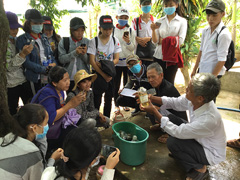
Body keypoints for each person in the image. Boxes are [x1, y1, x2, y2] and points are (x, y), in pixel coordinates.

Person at [140, 73, 226, 180]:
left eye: (189, 89)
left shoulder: (209, 119)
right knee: (171, 119)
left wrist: (154, 111)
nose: (186, 89)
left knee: (173, 142)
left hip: (210, 152)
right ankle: (184, 154)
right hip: (199, 138)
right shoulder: (197, 100)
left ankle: (200, 168)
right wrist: (151, 98)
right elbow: (175, 102)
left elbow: (178, 132)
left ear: (200, 98)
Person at [31, 66, 84, 155]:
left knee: (79, 122)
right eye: (65, 80)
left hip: (55, 125)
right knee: (72, 133)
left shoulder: (60, 91)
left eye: (68, 79)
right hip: (42, 131)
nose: (68, 83)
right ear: (54, 83)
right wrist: (70, 104)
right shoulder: (47, 93)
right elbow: (51, 118)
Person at [41, 127, 120, 180]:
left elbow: (48, 171)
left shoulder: (50, 172)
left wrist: (52, 159)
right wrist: (108, 169)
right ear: (92, 162)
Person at [0, 104, 48, 179]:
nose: (47, 127)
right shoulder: (32, 154)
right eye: (45, 124)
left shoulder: (5, 139)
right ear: (34, 128)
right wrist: (52, 160)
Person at [87, 15, 121, 118]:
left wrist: (103, 64)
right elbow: (92, 61)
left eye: (110, 29)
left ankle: (106, 120)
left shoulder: (115, 41)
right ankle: (97, 119)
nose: (108, 32)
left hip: (110, 73)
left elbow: (116, 59)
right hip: (97, 74)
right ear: (100, 28)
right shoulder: (94, 41)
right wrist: (102, 72)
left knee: (108, 98)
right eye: (105, 29)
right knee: (97, 98)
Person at [16, 9, 56, 95]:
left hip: (47, 76)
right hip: (33, 78)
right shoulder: (22, 39)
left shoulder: (44, 37)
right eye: (35, 23)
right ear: (28, 24)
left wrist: (53, 64)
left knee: (47, 100)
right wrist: (44, 69)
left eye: (40, 23)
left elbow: (50, 54)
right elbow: (26, 62)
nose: (38, 25)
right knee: (36, 103)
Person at [145, 62, 188, 143]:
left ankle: (170, 133)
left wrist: (153, 109)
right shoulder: (159, 85)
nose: (150, 80)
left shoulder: (167, 89)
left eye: (153, 77)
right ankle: (162, 126)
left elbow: (161, 107)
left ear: (161, 75)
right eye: (149, 77)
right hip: (170, 113)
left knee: (152, 108)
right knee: (150, 106)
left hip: (180, 121)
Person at [191, 0, 232, 78]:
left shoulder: (223, 34)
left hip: (214, 74)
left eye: (214, 15)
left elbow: (222, 60)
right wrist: (195, 69)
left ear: (223, 14)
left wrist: (212, 78)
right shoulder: (205, 31)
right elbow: (201, 50)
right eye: (208, 15)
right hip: (202, 70)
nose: (210, 19)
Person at [151, 0, 187, 85]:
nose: (168, 7)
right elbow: (155, 42)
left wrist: (162, 41)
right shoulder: (159, 21)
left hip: (172, 57)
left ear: (176, 5)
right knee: (157, 82)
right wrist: (153, 30)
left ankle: (168, 98)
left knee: (169, 82)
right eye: (166, 5)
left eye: (171, 5)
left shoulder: (182, 21)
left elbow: (180, 41)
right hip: (158, 56)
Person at [5, 11, 33, 115]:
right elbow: (9, 67)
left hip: (23, 80)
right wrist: (22, 54)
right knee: (12, 111)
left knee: (31, 106)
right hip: (11, 84)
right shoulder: (4, 44)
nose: (15, 31)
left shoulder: (17, 40)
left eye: (16, 28)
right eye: (12, 28)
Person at [113, 7, 136, 114]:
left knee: (127, 83)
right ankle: (116, 104)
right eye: (121, 17)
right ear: (116, 17)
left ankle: (125, 102)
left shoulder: (131, 30)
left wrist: (128, 42)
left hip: (127, 63)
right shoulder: (112, 30)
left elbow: (133, 48)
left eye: (126, 17)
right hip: (116, 62)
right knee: (116, 84)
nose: (124, 19)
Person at [58, 17, 90, 92]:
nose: (80, 33)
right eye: (77, 30)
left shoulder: (88, 42)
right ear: (71, 30)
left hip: (83, 78)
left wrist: (83, 54)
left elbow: (90, 61)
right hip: (69, 78)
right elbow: (61, 59)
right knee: (71, 99)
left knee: (83, 100)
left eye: (82, 30)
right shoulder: (64, 41)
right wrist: (74, 53)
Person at [132, 0, 156, 66]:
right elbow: (132, 35)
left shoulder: (155, 21)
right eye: (144, 4)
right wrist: (137, 38)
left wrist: (149, 39)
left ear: (151, 4)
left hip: (152, 54)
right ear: (140, 6)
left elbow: (158, 37)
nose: (146, 6)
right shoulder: (135, 21)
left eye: (148, 4)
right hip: (138, 54)